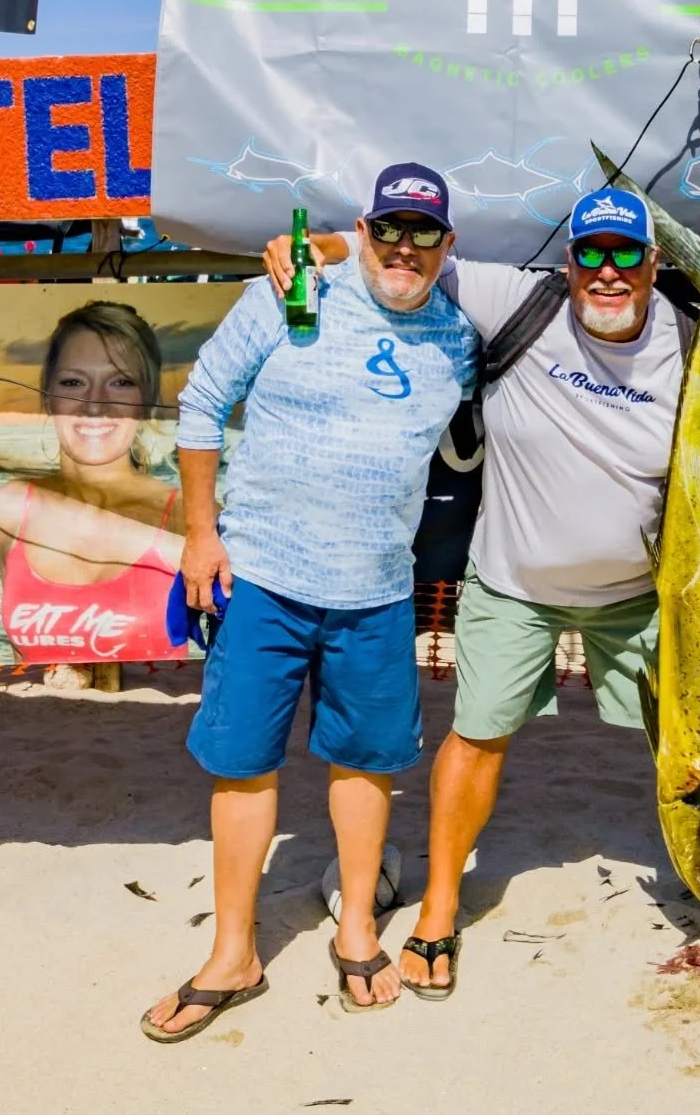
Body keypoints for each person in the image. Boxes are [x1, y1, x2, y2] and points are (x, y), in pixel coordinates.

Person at [265, 186, 700, 1000]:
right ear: (568, 262)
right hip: (514, 585)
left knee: (695, 742)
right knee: (478, 736)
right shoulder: (524, 301)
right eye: (590, 253)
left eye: (624, 255)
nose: (605, 271)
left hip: (644, 596)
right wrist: (320, 252)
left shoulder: (694, 339)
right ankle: (440, 909)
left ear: (653, 265)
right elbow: (414, 260)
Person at [143, 163, 478, 1040]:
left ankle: (359, 930)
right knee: (242, 763)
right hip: (260, 577)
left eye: (424, 233)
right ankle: (233, 954)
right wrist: (202, 535)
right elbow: (203, 405)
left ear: (447, 247)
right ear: (363, 231)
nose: (404, 248)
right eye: (387, 229)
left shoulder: (458, 338)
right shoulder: (290, 292)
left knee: (365, 764)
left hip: (375, 592)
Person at [0, 301, 184, 675]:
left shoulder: (188, 519)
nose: (94, 404)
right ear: (46, 395)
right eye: (73, 382)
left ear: (148, 398)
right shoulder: (10, 509)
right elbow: (21, 668)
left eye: (121, 382)